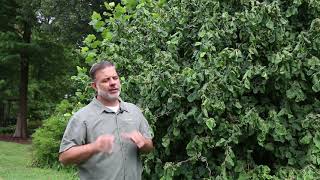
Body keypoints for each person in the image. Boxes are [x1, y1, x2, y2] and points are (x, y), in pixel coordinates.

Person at [59, 61, 154, 180]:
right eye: (106, 80)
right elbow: (64, 158)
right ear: (94, 86)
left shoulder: (134, 111)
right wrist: (94, 147)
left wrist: (144, 143)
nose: (113, 83)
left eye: (115, 78)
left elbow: (149, 147)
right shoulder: (82, 117)